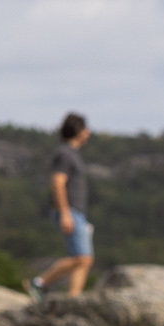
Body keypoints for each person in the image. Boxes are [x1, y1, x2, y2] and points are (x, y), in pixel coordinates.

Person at [38, 114, 97, 299]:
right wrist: (65, 213)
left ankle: (73, 298)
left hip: (76, 212)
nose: (88, 133)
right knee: (83, 258)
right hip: (69, 211)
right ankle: (40, 283)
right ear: (78, 131)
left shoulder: (70, 154)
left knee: (83, 260)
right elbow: (57, 182)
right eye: (85, 129)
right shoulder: (65, 154)